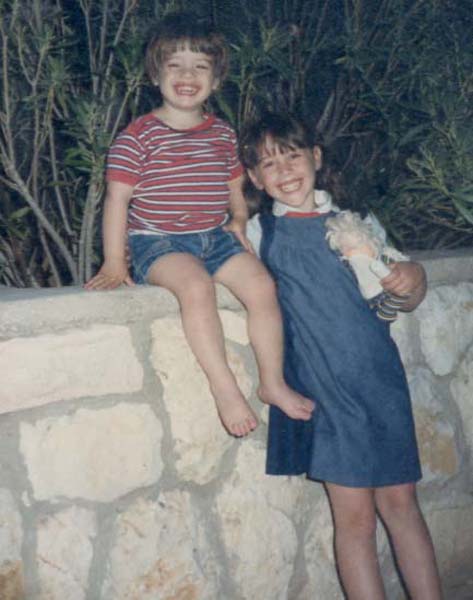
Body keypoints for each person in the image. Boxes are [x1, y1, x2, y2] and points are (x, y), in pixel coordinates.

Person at [239, 112, 443, 599]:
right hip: (326, 394)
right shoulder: (260, 233)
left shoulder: (359, 223)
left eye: (293, 156)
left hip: (381, 383)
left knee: (402, 504)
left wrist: (415, 277)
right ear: (254, 178)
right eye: (269, 164)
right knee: (354, 520)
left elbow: (401, 295)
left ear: (316, 157)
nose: (285, 171)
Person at [85, 13, 314, 437]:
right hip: (158, 242)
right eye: (175, 65)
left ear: (217, 78)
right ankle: (224, 387)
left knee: (263, 286)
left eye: (200, 67)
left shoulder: (222, 134)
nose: (187, 76)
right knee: (195, 287)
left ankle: (272, 382)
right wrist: (115, 262)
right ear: (155, 74)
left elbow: (234, 184)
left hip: (215, 237)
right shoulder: (137, 137)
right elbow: (117, 200)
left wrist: (239, 218)